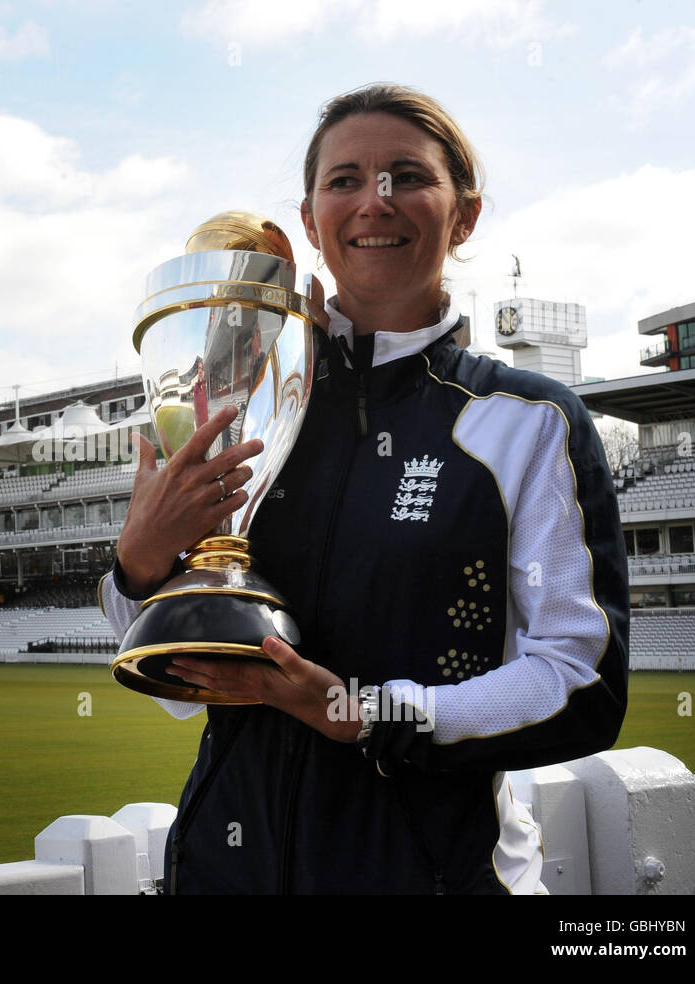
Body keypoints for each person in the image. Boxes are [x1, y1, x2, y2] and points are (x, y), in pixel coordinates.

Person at [98, 83, 629, 894]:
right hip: (219, 873)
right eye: (344, 180)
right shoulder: (249, 400)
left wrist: (365, 712)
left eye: (406, 176)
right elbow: (184, 687)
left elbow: (579, 684)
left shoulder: (527, 422)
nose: (374, 203)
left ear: (466, 215)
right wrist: (137, 568)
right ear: (310, 222)